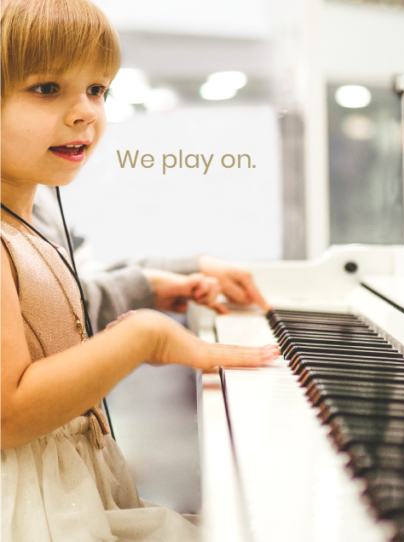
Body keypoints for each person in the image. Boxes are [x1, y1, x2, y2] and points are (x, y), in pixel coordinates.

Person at [0, 1, 279, 540]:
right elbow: (8, 414)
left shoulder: (30, 217)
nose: (85, 112)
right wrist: (142, 336)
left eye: (97, 89)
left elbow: (54, 302)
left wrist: (156, 283)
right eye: (47, 88)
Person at [33, 185, 272, 330]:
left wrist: (189, 268)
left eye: (96, 97)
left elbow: (80, 278)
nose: (86, 113)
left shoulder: (41, 189)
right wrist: (146, 291)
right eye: (46, 96)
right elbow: (50, 311)